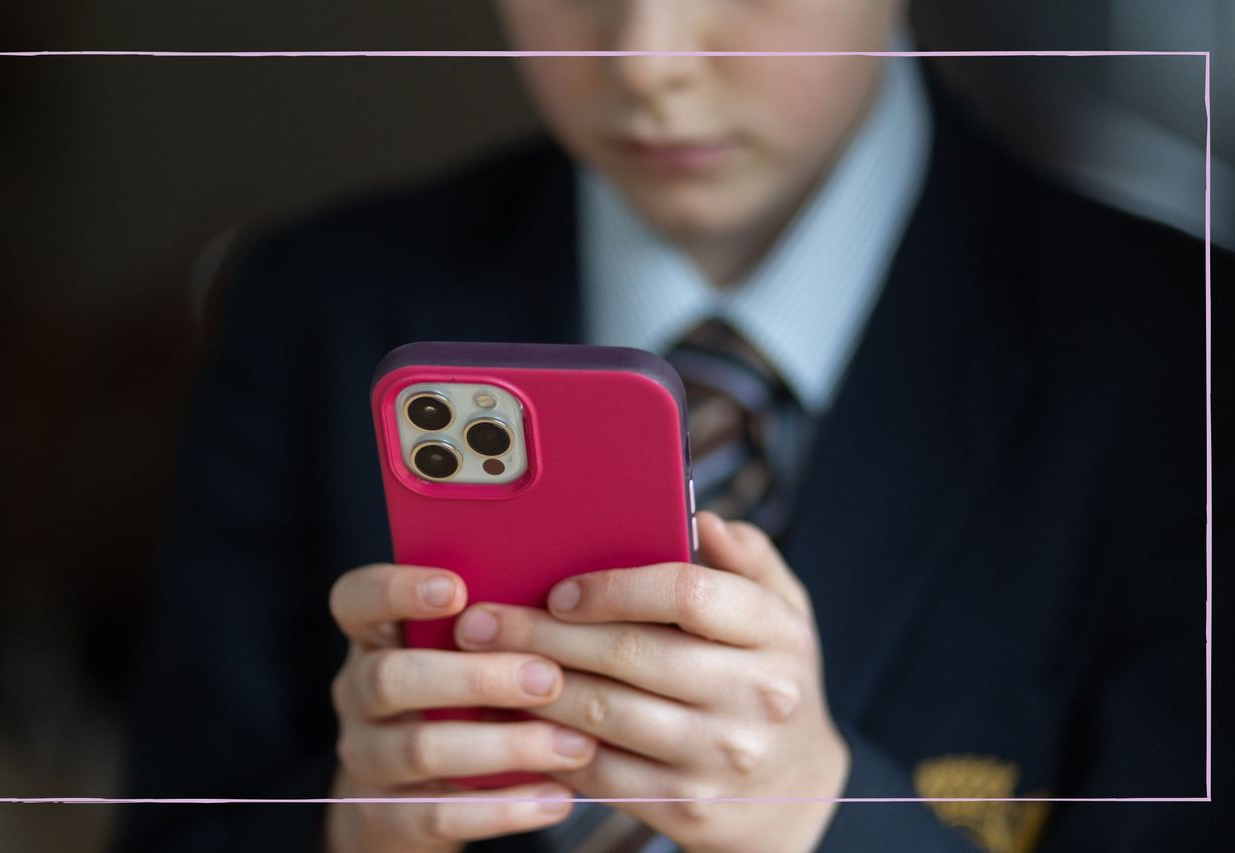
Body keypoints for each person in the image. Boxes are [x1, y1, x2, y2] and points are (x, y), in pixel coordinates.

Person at [114, 1, 1223, 851]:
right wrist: (347, 826)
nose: (645, 59)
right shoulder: (319, 307)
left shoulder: (1177, 359)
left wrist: (823, 819)